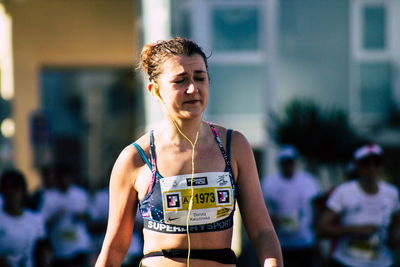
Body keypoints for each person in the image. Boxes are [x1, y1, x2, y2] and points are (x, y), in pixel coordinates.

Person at [95, 37, 282, 267]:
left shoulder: (234, 145)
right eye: (180, 81)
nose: (193, 88)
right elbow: (115, 247)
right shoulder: (135, 158)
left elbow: (262, 230)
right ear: (155, 90)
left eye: (200, 78)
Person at [318, 144, 400, 267]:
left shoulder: (392, 192)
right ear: (357, 166)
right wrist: (354, 230)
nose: (371, 168)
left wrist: (395, 236)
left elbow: (396, 223)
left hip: (382, 262)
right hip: (347, 262)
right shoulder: (343, 191)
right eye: (366, 163)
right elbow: (322, 229)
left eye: (376, 163)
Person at [261, 145, 321, 267]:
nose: (287, 165)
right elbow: (262, 209)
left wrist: (315, 227)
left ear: (295, 162)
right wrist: (272, 218)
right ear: (280, 164)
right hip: (280, 242)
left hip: (305, 240)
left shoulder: (309, 181)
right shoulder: (269, 183)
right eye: (284, 162)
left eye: (290, 162)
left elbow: (317, 205)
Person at [41, 163, 91, 267]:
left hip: (78, 246)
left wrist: (80, 216)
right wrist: (56, 215)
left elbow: (90, 217)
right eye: (61, 177)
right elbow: (43, 223)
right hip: (59, 248)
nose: (64, 180)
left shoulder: (80, 194)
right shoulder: (48, 196)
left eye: (67, 177)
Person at [0, 169, 46, 267]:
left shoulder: (35, 219)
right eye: (7, 188)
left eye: (15, 188)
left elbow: (42, 250)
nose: (11, 193)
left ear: (23, 191)